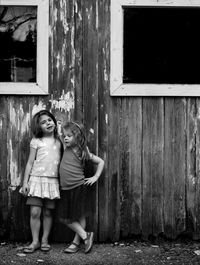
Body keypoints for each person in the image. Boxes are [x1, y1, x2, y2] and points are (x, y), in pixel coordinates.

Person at [58, 121, 104, 254]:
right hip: (65, 188)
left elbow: (101, 161)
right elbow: (62, 136)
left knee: (72, 217)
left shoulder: (81, 150)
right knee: (69, 217)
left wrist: (95, 177)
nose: (65, 138)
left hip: (77, 187)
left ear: (77, 137)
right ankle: (85, 237)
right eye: (64, 135)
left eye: (69, 136)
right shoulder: (66, 147)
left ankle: (77, 241)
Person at [20, 110, 62, 253]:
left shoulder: (60, 140)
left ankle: (45, 240)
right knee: (35, 212)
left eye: (49, 120)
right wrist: (25, 183)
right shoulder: (36, 141)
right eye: (43, 122)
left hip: (52, 182)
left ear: (54, 122)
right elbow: (30, 163)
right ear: (39, 127)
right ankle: (35, 241)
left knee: (48, 213)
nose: (47, 123)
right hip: (36, 180)